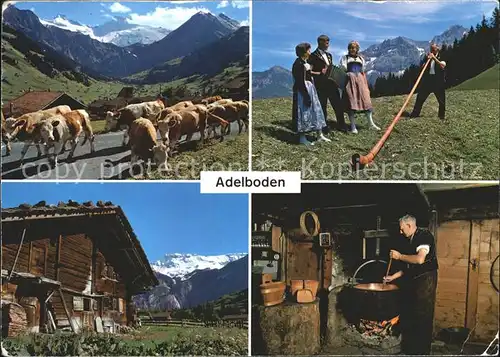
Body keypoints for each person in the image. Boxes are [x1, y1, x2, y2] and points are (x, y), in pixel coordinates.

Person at [384, 214, 439, 355]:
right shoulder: (410, 239)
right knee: (413, 313)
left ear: (409, 226)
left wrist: (399, 256)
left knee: (423, 315)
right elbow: (409, 266)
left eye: (402, 229)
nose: (400, 232)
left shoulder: (424, 236)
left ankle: (421, 352)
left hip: (426, 280)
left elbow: (420, 260)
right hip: (415, 279)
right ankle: (411, 350)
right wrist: (392, 277)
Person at [291, 42, 331, 146]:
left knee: (316, 110)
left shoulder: (305, 62)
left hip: (310, 88)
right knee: (303, 112)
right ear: (304, 52)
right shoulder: (298, 64)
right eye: (308, 50)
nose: (310, 52)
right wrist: (305, 95)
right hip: (303, 90)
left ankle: (319, 134)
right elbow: (299, 81)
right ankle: (302, 137)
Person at [308, 35, 347, 133]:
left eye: (328, 42)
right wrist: (320, 73)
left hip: (332, 83)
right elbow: (309, 71)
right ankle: (324, 127)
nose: (328, 45)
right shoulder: (312, 56)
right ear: (320, 42)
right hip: (320, 85)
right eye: (326, 43)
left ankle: (342, 125)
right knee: (322, 105)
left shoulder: (329, 55)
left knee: (338, 104)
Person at [340, 41, 381, 133]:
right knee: (351, 100)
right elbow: (343, 68)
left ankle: (371, 123)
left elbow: (363, 69)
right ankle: (353, 126)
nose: (352, 49)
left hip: (360, 79)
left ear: (357, 49)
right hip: (350, 79)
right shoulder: (345, 58)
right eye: (350, 48)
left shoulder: (360, 58)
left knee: (365, 99)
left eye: (354, 48)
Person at [409, 43, 447, 120]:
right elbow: (422, 67)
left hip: (438, 81)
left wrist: (434, 58)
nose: (432, 51)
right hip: (428, 81)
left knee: (441, 100)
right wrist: (427, 60)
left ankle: (441, 117)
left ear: (437, 49)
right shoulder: (427, 57)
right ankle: (415, 114)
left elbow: (442, 66)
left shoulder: (442, 56)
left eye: (434, 49)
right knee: (420, 97)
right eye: (431, 49)